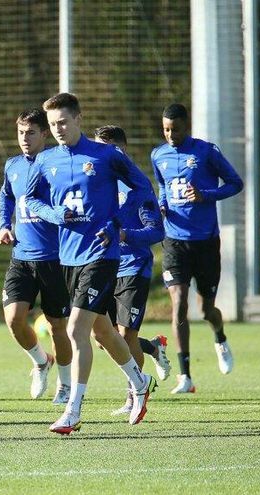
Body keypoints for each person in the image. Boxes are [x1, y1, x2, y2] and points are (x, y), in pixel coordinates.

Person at [23, 93, 156, 434]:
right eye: (52, 125)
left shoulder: (106, 156)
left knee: (76, 330)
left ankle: (73, 409)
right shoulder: (45, 160)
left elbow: (142, 186)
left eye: (63, 122)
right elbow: (32, 200)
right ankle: (140, 383)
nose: (58, 130)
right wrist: (55, 214)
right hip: (67, 255)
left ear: (79, 119)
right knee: (102, 330)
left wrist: (117, 225)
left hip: (102, 255)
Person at [151, 104, 244, 394]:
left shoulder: (206, 152)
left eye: (175, 129)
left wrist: (206, 195)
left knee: (206, 310)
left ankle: (219, 336)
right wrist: (163, 204)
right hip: (174, 241)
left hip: (205, 241)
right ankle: (185, 376)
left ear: (186, 126)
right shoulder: (158, 155)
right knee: (179, 302)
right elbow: (163, 186)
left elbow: (235, 183)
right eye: (166, 129)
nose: (170, 134)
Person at [93, 125, 172, 415]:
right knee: (103, 338)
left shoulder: (137, 187)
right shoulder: (97, 185)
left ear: (120, 150)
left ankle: (134, 395)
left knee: (124, 335)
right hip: (102, 266)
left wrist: (125, 235)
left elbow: (156, 231)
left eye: (106, 149)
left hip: (132, 267)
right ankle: (152, 348)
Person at [0, 109, 72, 403]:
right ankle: (41, 361)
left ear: (45, 134)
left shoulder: (58, 163)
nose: (24, 139)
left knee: (57, 327)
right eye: (20, 133)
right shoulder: (13, 166)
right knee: (14, 319)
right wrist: (4, 224)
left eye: (30, 133)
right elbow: (5, 196)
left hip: (55, 259)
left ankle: (65, 385)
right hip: (21, 257)